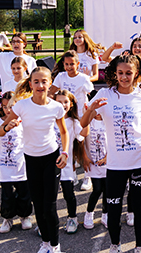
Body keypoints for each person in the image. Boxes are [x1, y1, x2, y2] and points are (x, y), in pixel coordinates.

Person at [82, 54, 141, 253]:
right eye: (120, 73)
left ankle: (140, 247)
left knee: (138, 207)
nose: (124, 77)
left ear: (136, 73)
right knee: (113, 207)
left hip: (140, 160)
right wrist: (92, 109)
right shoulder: (105, 94)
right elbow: (83, 123)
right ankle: (115, 245)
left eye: (128, 73)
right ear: (115, 73)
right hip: (115, 165)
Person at [0, 66, 68, 253]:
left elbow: (63, 131)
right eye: (36, 81)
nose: (40, 85)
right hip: (31, 160)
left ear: (50, 83)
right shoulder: (21, 106)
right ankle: (45, 242)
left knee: (50, 206)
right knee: (38, 205)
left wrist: (65, 152)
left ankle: (55, 246)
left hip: (51, 159)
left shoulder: (56, 107)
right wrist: (8, 127)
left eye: (44, 81)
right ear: (30, 84)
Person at [0, 91, 34, 233]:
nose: (8, 110)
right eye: (5, 107)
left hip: (22, 165)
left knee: (24, 193)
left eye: (12, 106)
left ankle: (25, 216)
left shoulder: (24, 122)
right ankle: (7, 218)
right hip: (5, 166)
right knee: (7, 194)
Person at [53, 89, 85, 234]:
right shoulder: (48, 119)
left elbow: (82, 136)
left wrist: (88, 115)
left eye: (65, 102)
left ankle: (72, 217)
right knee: (50, 196)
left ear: (71, 104)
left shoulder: (73, 122)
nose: (62, 105)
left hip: (66, 166)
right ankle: (49, 220)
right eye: (59, 102)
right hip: (48, 165)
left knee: (68, 194)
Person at [81, 102, 109, 230]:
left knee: (107, 190)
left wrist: (107, 157)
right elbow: (81, 139)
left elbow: (115, 141)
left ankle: (105, 214)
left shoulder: (108, 122)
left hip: (108, 163)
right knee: (97, 190)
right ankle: (89, 213)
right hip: (93, 163)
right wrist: (85, 157)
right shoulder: (88, 122)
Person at [49, 50, 93, 119]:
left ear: (77, 64)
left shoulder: (84, 78)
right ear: (63, 63)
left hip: (79, 114)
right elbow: (51, 92)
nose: (69, 67)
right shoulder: (61, 76)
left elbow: (92, 94)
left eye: (72, 64)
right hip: (65, 113)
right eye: (66, 64)